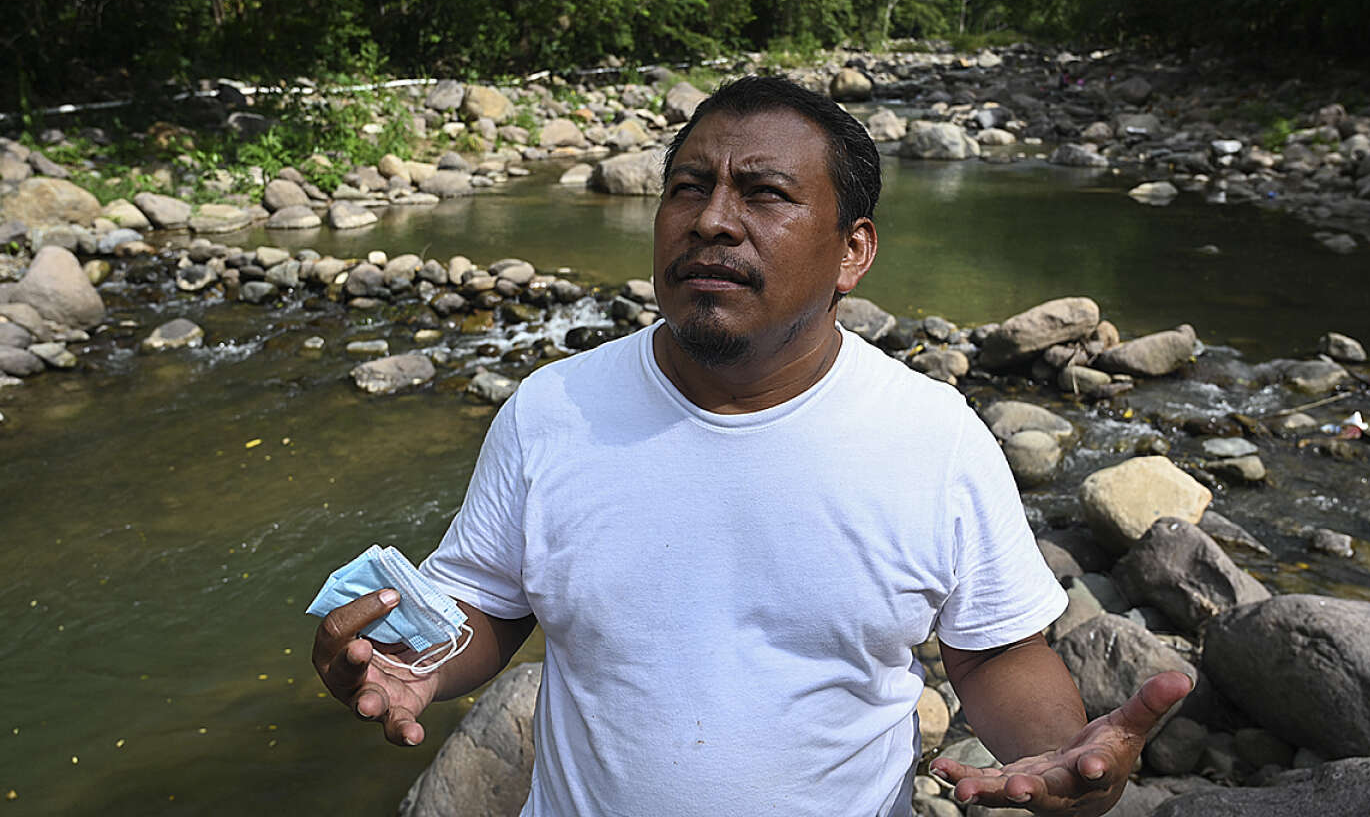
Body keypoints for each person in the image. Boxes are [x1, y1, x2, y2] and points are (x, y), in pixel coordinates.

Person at [312, 76, 1192, 816]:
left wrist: (1054, 760)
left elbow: (993, 649)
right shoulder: (555, 412)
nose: (712, 222)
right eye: (688, 188)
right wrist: (398, 661)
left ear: (853, 252)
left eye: (764, 194)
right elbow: (492, 607)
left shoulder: (932, 438)